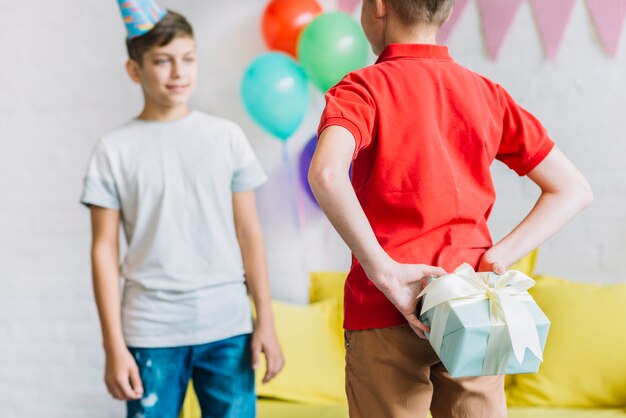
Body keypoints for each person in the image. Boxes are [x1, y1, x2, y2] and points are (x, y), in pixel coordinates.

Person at [308, 0, 593, 417]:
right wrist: (496, 258)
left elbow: (328, 174)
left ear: (378, 8)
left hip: (385, 309)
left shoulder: (362, 88)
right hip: (473, 304)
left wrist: (384, 271)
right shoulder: (486, 94)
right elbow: (573, 189)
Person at [80, 2, 283, 416]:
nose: (178, 72)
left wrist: (266, 321)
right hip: (150, 332)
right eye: (162, 61)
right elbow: (103, 250)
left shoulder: (227, 138)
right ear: (134, 70)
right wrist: (113, 346)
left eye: (188, 59)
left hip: (228, 328)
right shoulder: (113, 151)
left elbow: (250, 234)